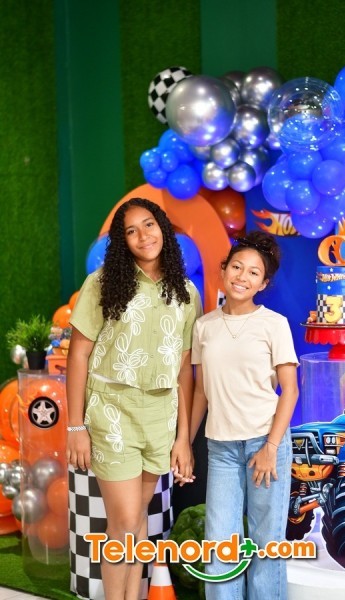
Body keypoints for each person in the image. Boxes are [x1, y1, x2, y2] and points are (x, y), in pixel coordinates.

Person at [66, 197, 202, 600]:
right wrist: (75, 426)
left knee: (137, 519)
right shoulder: (102, 283)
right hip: (112, 411)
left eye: (149, 224)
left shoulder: (186, 292)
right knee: (125, 521)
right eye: (131, 230)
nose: (143, 236)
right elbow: (78, 354)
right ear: (121, 241)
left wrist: (183, 438)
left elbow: (184, 371)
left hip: (160, 416)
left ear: (163, 228)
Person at [190, 231, 299, 600]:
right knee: (219, 548)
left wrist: (271, 447)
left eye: (254, 272)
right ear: (224, 270)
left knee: (267, 544)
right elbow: (201, 391)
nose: (242, 277)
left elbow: (290, 391)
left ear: (263, 284)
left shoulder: (274, 324)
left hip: (265, 442)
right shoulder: (204, 326)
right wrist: (184, 442)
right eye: (237, 267)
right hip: (220, 448)